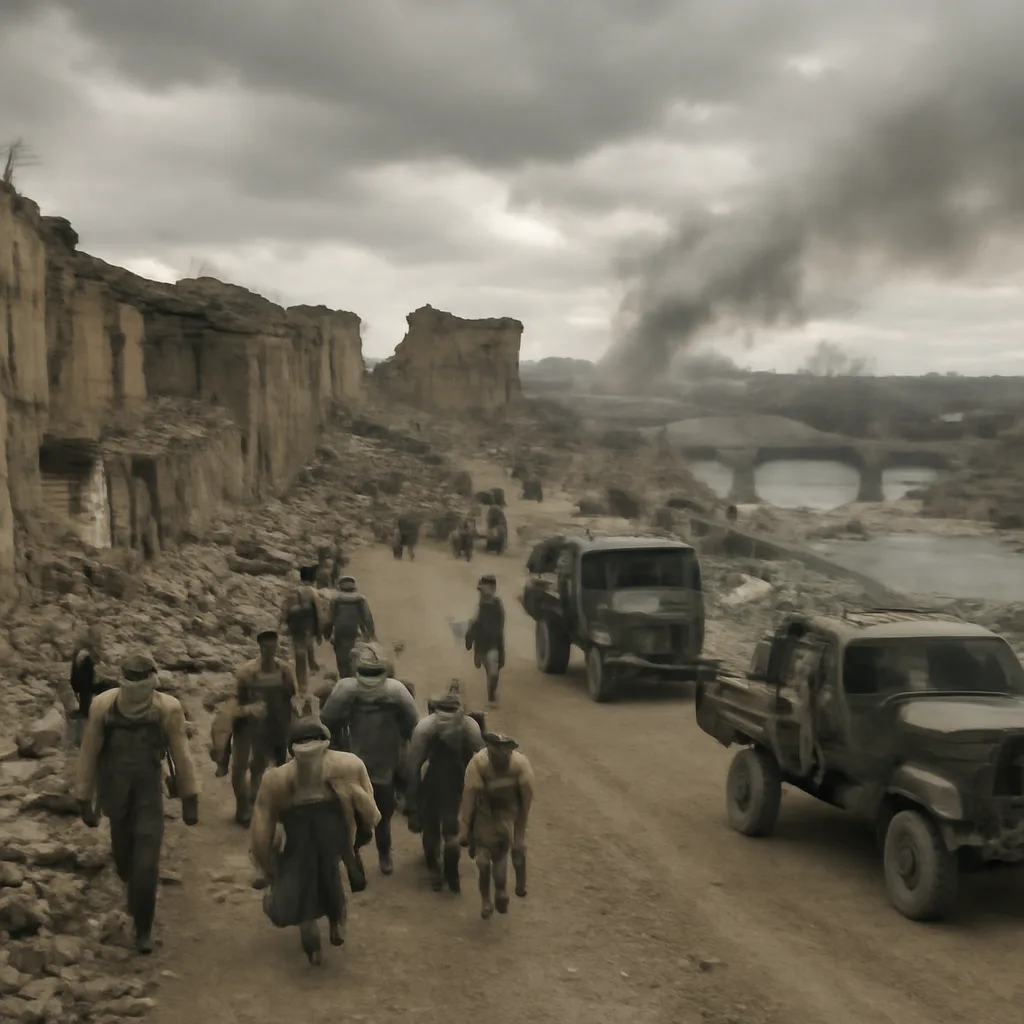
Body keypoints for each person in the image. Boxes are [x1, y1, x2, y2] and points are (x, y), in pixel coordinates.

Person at [73, 652, 199, 954]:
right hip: (114, 794)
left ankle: (143, 928)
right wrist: (83, 799)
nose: (135, 684)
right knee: (124, 861)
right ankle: (136, 895)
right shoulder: (104, 705)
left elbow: (181, 753)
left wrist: (190, 797)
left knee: (146, 865)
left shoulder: (167, 708)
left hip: (148, 795)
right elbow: (89, 752)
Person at [250, 716, 381, 965]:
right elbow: (368, 804)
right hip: (336, 832)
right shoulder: (349, 764)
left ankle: (309, 930)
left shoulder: (276, 779)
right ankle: (337, 921)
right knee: (331, 870)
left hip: (298, 835)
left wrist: (263, 862)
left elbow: (262, 824)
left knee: (300, 876)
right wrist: (363, 835)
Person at [321, 643, 420, 876]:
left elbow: (413, 724)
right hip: (358, 763)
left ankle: (383, 852)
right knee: (355, 815)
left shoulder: (394, 691)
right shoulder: (350, 691)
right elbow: (327, 719)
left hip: (382, 762)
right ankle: (356, 855)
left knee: (381, 815)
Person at [405, 682, 485, 892]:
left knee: (431, 829)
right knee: (452, 828)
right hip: (459, 781)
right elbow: (482, 761)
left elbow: (413, 766)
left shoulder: (425, 727)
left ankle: (434, 870)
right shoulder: (470, 726)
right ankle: (452, 870)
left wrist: (411, 802)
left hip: (432, 781)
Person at [458, 732, 533, 920]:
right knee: (483, 862)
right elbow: (469, 797)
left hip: (505, 816)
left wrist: (519, 836)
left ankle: (499, 891)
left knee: (499, 858)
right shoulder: (478, 764)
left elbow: (525, 803)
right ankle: (487, 899)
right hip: (485, 815)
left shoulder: (521, 765)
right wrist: (465, 828)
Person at [230, 626, 298, 826]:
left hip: (277, 723)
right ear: (260, 647)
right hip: (252, 725)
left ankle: (277, 806)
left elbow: (290, 695)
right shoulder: (248, 672)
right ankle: (245, 807)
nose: (270, 649)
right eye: (266, 646)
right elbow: (237, 701)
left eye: (273, 645)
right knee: (244, 767)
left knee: (277, 764)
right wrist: (250, 710)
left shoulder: (284, 670)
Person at [323, 576, 375, 680]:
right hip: (356, 633)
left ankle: (344, 679)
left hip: (340, 633)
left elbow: (330, 619)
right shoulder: (360, 599)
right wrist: (370, 633)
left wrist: (327, 633)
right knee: (356, 656)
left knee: (341, 658)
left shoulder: (335, 599)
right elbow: (367, 617)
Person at [465, 575, 506, 706]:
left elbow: (500, 628)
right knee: (490, 670)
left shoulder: (496, 605)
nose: (482, 594)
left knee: (493, 671)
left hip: (494, 645)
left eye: (484, 590)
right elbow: (473, 626)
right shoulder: (480, 608)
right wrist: (469, 640)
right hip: (482, 646)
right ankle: (492, 692)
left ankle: (492, 693)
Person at [279, 574, 323, 695]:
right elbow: (319, 613)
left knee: (299, 656)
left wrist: (281, 626)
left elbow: (284, 611)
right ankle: (306, 678)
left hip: (295, 628)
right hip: (307, 626)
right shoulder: (312, 593)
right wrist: (319, 633)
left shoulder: (291, 593)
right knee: (306, 647)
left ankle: (302, 684)